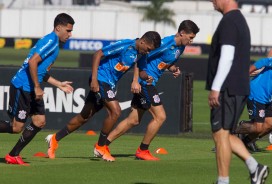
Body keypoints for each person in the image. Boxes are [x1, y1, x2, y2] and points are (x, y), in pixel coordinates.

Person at [45, 31, 161, 162]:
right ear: (143, 42)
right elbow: (98, 54)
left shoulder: (141, 54)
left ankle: (54, 139)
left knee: (84, 117)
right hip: (100, 79)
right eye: (148, 49)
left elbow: (142, 71)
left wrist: (147, 77)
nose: (148, 52)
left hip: (109, 84)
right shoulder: (125, 45)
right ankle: (100, 146)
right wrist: (94, 79)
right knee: (115, 111)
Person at [105, 20, 199, 161]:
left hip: (149, 82)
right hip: (145, 83)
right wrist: (135, 80)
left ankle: (102, 145)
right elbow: (140, 56)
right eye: (190, 37)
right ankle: (142, 150)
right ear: (182, 33)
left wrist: (173, 68)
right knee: (160, 117)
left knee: (133, 120)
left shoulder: (181, 47)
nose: (191, 40)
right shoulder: (166, 43)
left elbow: (165, 63)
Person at [206, 0, 269, 184]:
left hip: (228, 88)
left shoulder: (229, 21)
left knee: (220, 134)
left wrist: (216, 88)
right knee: (225, 134)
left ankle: (223, 181)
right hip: (237, 87)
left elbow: (227, 56)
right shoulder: (238, 19)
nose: (212, 2)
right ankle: (255, 168)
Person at [0, 13, 75, 165]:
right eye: (68, 30)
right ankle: (13, 155)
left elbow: (41, 71)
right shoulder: (51, 41)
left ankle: (13, 155)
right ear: (58, 28)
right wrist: (37, 87)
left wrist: (58, 84)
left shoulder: (53, 42)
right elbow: (33, 62)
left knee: (39, 121)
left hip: (31, 88)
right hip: (23, 87)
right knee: (16, 127)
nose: (70, 34)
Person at [235, 56, 272, 152]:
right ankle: (226, 135)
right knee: (258, 127)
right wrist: (245, 74)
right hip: (258, 92)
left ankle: (245, 143)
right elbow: (264, 61)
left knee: (270, 124)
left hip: (269, 96)